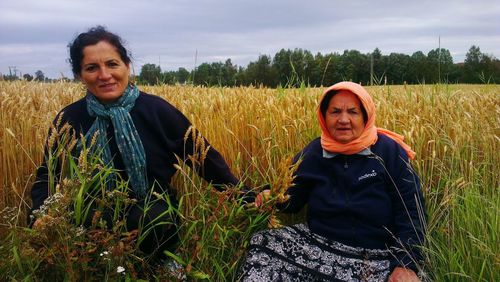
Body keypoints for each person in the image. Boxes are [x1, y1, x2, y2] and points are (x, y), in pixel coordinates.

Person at [29, 25, 251, 262]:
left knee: (150, 219)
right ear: (79, 75)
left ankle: (163, 266)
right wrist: (39, 216)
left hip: (152, 219)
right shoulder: (69, 119)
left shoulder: (157, 111)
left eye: (112, 64)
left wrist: (246, 197)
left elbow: (203, 157)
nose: (104, 75)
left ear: (127, 66)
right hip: (89, 221)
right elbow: (48, 174)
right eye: (92, 68)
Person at [240, 82, 425, 281]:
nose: (343, 120)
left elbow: (411, 211)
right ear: (324, 117)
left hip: (378, 255)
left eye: (353, 112)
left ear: (365, 116)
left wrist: (406, 264)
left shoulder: (389, 151)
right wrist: (272, 196)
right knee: (262, 243)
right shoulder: (314, 152)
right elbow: (293, 198)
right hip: (321, 246)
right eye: (335, 112)